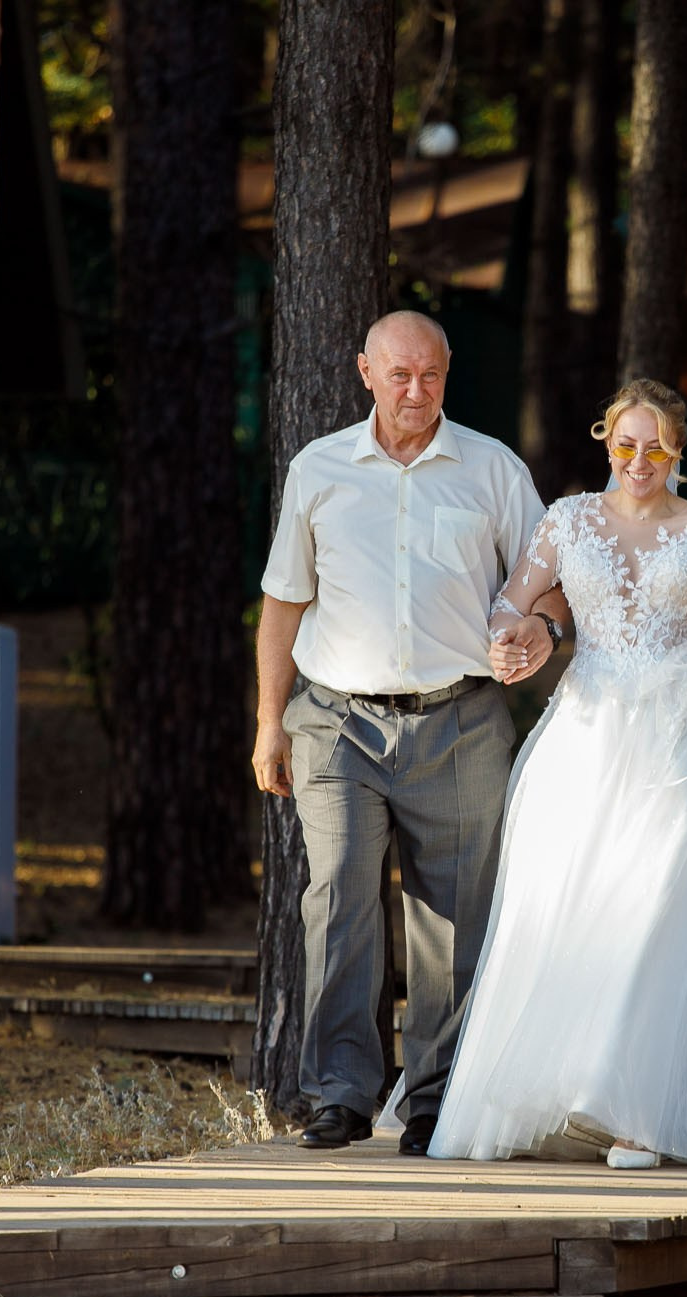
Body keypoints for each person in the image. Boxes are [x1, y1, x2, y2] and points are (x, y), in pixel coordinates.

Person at [427, 378, 687, 1169]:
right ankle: (568, 1087)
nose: (640, 460)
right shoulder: (567, 520)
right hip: (588, 737)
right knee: (577, 910)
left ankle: (639, 1112)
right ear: (607, 441)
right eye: (626, 444)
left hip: (684, 743)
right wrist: (512, 636)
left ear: (678, 451)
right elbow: (512, 601)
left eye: (657, 447)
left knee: (660, 907)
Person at [252, 310, 564, 1157]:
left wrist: (541, 629)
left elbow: (550, 582)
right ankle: (341, 1093)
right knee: (339, 899)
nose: (416, 391)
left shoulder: (493, 470)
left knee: (454, 918)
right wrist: (269, 722)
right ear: (366, 372)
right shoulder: (318, 469)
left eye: (430, 374)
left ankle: (436, 1100)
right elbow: (283, 602)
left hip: (461, 719)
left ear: (448, 369)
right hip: (336, 722)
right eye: (399, 375)